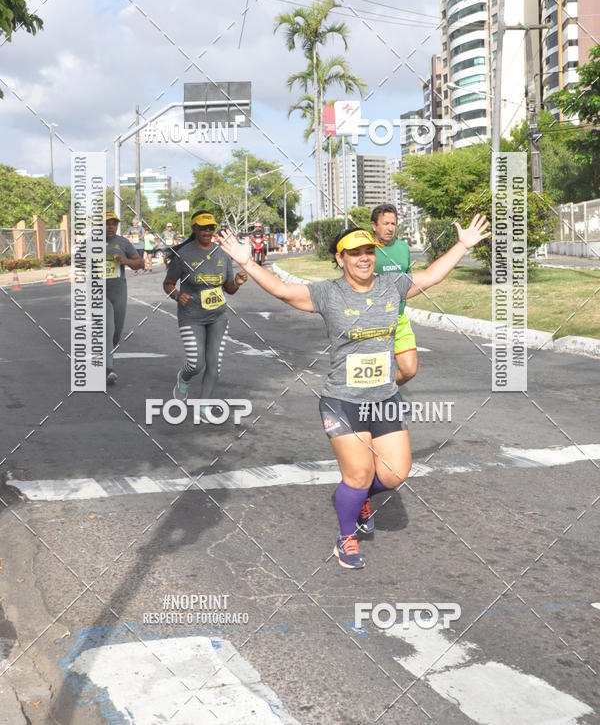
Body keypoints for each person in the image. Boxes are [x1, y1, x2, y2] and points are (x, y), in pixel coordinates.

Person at [214, 215, 489, 569]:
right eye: (354, 253)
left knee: (394, 474)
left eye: (368, 252)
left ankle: (359, 498)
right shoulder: (328, 293)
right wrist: (248, 261)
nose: (363, 258)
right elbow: (284, 291)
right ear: (340, 259)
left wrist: (463, 245)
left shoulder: (391, 286)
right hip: (343, 401)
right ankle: (346, 538)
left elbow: (432, 275)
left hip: (385, 398)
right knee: (358, 474)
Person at [163, 210, 248, 423]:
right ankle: (183, 378)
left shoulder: (221, 255)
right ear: (195, 229)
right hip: (191, 317)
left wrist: (237, 281)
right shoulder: (184, 255)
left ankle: (203, 407)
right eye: (203, 228)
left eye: (211, 228)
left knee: (214, 365)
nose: (208, 232)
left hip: (218, 316)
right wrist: (177, 295)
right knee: (195, 363)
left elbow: (229, 288)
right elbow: (168, 283)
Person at [371, 203, 418, 386]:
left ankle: (385, 388)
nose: (390, 228)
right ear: (374, 226)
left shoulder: (403, 248)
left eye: (393, 224)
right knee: (372, 373)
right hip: (373, 321)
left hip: (398, 318)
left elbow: (408, 282)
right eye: (385, 224)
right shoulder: (366, 249)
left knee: (409, 370)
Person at [104, 212, 145, 385]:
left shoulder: (123, 242)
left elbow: (140, 263)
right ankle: (108, 369)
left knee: (116, 331)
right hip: (98, 291)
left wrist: (125, 260)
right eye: (107, 223)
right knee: (107, 326)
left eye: (114, 223)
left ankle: (106, 354)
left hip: (119, 289)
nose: (110, 226)